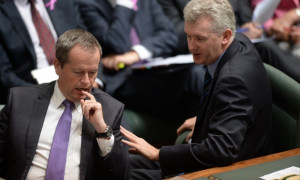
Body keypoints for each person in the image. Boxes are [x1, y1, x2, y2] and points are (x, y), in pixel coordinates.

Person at [121, 0, 273, 179]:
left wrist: (158, 154)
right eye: (189, 36)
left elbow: (222, 150)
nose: (191, 46)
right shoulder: (239, 41)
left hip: (225, 170)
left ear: (225, 36)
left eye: (200, 38)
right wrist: (209, 116)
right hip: (211, 154)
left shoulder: (233, 79)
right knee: (119, 163)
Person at [0, 29, 130, 180]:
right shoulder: (20, 100)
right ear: (57, 66)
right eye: (78, 72)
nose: (87, 81)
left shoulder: (110, 110)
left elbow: (122, 175)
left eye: (92, 72)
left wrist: (102, 131)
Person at [76, 0, 205, 122]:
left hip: (158, 68)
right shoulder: (89, 4)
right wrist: (124, 5)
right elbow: (116, 43)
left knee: (199, 78)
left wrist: (136, 54)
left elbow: (170, 36)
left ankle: (208, 137)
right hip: (125, 80)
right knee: (193, 77)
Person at [158, 0, 300, 83]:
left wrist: (250, 28)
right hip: (198, 53)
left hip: (241, 44)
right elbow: (174, 34)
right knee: (201, 73)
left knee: (264, 48)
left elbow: (248, 21)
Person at [0, 0, 85, 104]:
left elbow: (87, 43)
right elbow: (4, 74)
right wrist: (40, 93)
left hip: (77, 81)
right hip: (34, 93)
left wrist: (95, 80)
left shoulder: (61, 2)